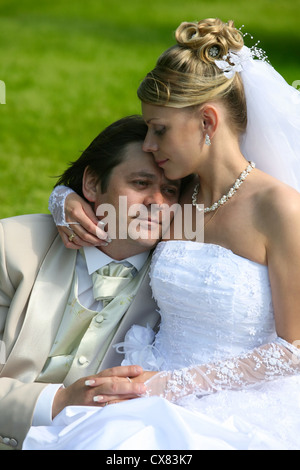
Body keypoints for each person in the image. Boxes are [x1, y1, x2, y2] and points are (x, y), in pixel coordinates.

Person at [23, 18, 300, 450]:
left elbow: (295, 349)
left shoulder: (277, 208)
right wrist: (64, 200)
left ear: (207, 122)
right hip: (147, 381)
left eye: (160, 129)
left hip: (233, 407)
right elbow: (112, 210)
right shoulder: (180, 198)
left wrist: (172, 385)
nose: (149, 144)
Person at [0, 115, 182, 450]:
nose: (157, 203)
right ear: (92, 184)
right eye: (141, 184)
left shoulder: (182, 290)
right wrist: (57, 402)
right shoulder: (11, 247)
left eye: (170, 190)